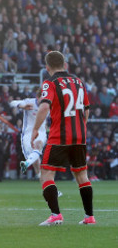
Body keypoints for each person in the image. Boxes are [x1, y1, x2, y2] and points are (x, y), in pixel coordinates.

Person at [31, 51, 94, 226]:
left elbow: (44, 107)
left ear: (47, 67)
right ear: (65, 64)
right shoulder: (79, 82)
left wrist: (35, 129)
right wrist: (81, 127)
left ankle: (56, 215)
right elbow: (86, 110)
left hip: (60, 135)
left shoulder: (49, 83)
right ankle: (89, 217)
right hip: (79, 135)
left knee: (46, 174)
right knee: (82, 175)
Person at [10, 93, 48, 175]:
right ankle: (40, 176)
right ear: (37, 97)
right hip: (28, 133)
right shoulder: (29, 102)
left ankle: (27, 163)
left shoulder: (48, 105)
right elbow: (12, 103)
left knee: (38, 145)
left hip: (40, 132)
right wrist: (21, 106)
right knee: (36, 162)